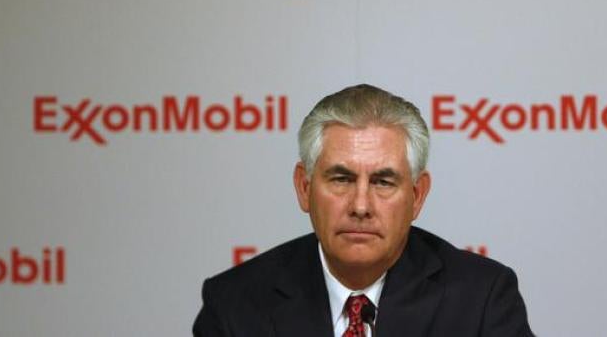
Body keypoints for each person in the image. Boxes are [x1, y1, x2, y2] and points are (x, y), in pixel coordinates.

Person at [193, 83, 535, 336]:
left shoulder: (481, 300)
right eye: (341, 179)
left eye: (383, 182)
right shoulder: (233, 304)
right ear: (305, 188)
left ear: (417, 196)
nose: (360, 206)